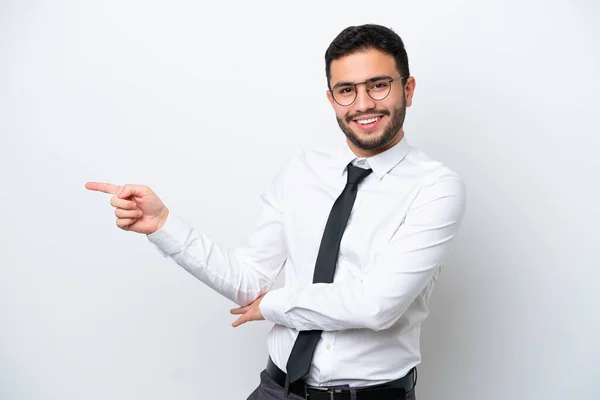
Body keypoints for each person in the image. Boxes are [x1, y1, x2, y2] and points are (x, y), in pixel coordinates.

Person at [86, 24, 466, 400]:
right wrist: (164, 225)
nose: (363, 104)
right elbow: (248, 281)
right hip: (278, 390)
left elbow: (377, 305)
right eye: (346, 91)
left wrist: (275, 305)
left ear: (408, 89)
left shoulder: (435, 188)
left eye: (378, 85)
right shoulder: (301, 172)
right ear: (332, 99)